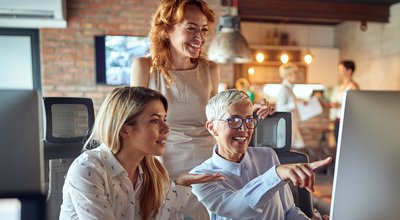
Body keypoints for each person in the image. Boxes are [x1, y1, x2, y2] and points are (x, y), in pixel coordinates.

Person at [131, 0, 274, 218]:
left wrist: (251, 109)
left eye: (204, 29)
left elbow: (219, 114)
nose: (200, 37)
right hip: (162, 164)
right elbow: (134, 125)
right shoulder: (145, 67)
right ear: (167, 28)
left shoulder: (210, 70)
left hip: (208, 165)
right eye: (191, 28)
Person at [60, 86, 224, 220]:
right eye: (154, 120)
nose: (166, 129)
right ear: (124, 130)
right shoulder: (88, 169)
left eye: (164, 119)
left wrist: (182, 184)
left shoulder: (153, 173)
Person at [190, 89, 332, 220]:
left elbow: (289, 211)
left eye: (248, 120)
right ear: (212, 128)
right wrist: (276, 174)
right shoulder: (200, 176)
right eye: (233, 120)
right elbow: (237, 208)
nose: (244, 129)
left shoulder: (267, 155)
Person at [275, 63, 305, 149]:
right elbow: (280, 108)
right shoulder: (284, 88)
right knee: (290, 148)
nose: (297, 75)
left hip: (292, 123)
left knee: (295, 147)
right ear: (289, 74)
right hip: (287, 124)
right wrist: (296, 103)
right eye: (295, 73)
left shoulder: (289, 88)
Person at [330, 60, 359, 144]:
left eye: (341, 69)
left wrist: (339, 105)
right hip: (338, 119)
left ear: (349, 71)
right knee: (337, 142)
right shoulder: (341, 86)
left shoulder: (353, 86)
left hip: (346, 121)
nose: (339, 72)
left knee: (343, 144)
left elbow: (355, 105)